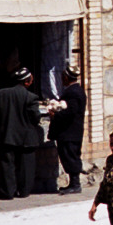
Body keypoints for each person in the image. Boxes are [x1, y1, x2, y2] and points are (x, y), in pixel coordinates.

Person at [0, 67, 43, 199]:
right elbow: (35, 118)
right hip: (26, 138)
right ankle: (24, 191)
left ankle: (8, 193)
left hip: (7, 136)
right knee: (26, 167)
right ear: (27, 82)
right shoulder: (31, 97)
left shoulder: (1, 94)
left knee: (7, 166)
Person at [48, 62, 86, 194]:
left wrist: (55, 115)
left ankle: (75, 184)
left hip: (69, 132)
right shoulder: (76, 90)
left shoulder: (73, 92)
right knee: (68, 156)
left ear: (66, 77)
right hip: (71, 132)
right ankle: (73, 183)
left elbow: (71, 112)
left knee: (70, 156)